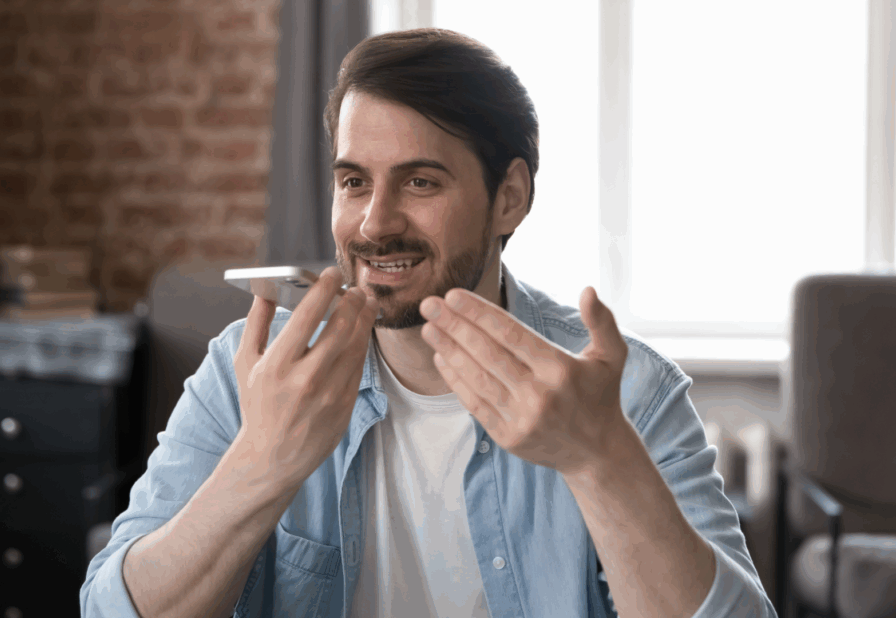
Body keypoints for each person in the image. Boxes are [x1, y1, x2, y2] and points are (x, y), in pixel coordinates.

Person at [81, 28, 775, 618]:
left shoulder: (622, 395)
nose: (374, 224)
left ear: (509, 198)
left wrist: (602, 462)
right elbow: (110, 607)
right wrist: (260, 465)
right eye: (354, 182)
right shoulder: (253, 372)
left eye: (420, 182)